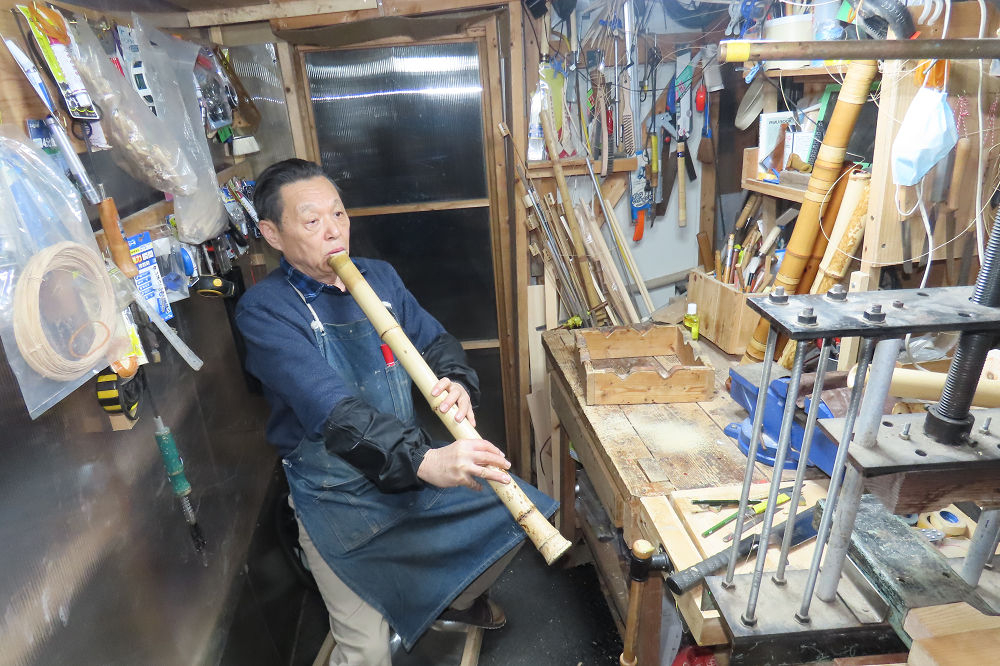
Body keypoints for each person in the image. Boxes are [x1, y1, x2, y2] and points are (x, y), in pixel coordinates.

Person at [235, 159, 557, 665]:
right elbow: (333, 411)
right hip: (338, 498)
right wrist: (428, 460)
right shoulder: (266, 310)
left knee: (520, 513)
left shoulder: (378, 277)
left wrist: (456, 380)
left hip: (406, 473)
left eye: (338, 214)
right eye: (312, 220)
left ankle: (457, 603)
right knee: (366, 654)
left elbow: (435, 341)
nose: (333, 230)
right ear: (272, 234)